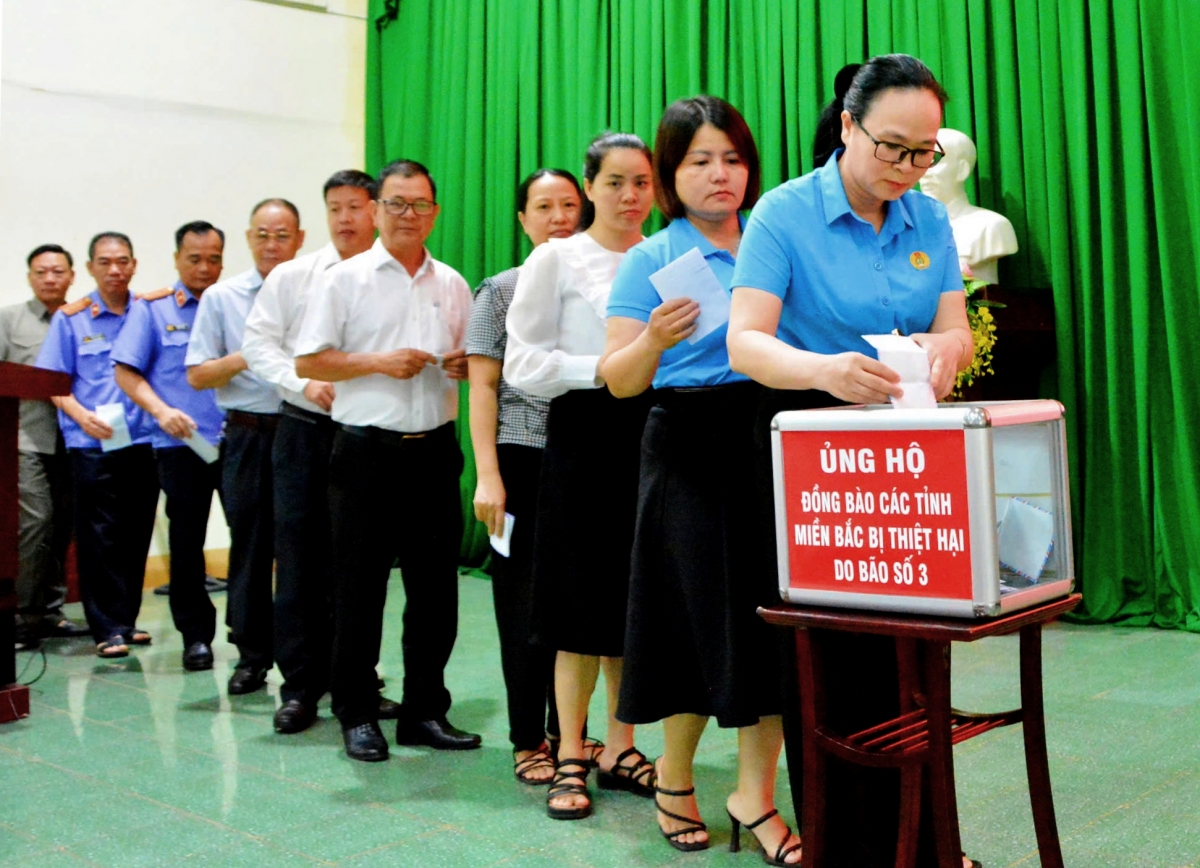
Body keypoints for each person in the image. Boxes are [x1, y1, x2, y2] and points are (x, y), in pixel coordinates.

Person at [725, 55, 977, 868]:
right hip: (814, 465)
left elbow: (957, 331)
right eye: (892, 148)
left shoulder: (928, 220)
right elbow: (746, 342)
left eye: (923, 152)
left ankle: (929, 846)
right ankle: (852, 849)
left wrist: (946, 350)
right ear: (846, 126)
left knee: (915, 664)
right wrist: (822, 372)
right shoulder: (782, 214)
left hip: (908, 460)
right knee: (831, 666)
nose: (908, 168)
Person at [599, 96, 802, 864]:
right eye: (699, 161)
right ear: (670, 175)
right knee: (688, 622)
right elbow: (617, 381)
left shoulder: (774, 240)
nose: (721, 175)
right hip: (685, 439)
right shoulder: (653, 259)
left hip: (768, 436)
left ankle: (754, 797)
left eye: (733, 158)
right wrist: (652, 338)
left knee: (771, 622)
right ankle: (674, 778)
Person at [294, 159, 480, 762]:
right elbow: (309, 362)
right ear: (375, 210)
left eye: (420, 205)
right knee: (359, 589)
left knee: (435, 591)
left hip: (433, 454)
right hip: (364, 454)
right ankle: (356, 711)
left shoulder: (451, 282)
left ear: (435, 213)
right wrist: (377, 362)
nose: (408, 216)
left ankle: (425, 709)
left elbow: (467, 360)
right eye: (396, 204)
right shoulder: (343, 280)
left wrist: (459, 365)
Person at [503, 132, 658, 820]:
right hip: (582, 437)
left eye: (643, 183)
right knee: (575, 613)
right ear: (589, 188)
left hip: (654, 439)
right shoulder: (556, 258)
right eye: (616, 182)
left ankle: (622, 749)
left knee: (632, 605)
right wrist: (594, 369)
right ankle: (572, 750)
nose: (630, 197)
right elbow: (520, 364)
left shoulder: (669, 256)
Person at [242, 169, 400, 734]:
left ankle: (357, 682)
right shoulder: (294, 276)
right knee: (303, 562)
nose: (345, 219)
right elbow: (257, 344)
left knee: (361, 567)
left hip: (369, 438)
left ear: (377, 211)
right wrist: (301, 382)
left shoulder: (392, 275)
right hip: (308, 430)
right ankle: (301, 687)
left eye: (355, 207)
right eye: (334, 208)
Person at [466, 167, 583, 784]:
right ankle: (525, 736)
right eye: (544, 206)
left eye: (569, 204)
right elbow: (482, 388)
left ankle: (575, 736)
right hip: (521, 459)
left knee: (578, 608)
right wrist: (489, 476)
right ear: (522, 218)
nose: (559, 216)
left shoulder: (599, 282)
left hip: (584, 462)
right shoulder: (500, 290)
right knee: (522, 606)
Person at [186, 200, 302, 695]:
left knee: (303, 549)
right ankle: (251, 656)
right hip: (248, 434)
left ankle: (306, 660)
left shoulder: (317, 290)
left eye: (282, 235)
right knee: (251, 547)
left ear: (299, 239)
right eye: (262, 235)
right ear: (249, 239)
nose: (272, 245)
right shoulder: (222, 297)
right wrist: (247, 355)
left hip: (304, 431)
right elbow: (197, 374)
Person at [35, 233, 159, 658]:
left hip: (142, 438)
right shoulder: (72, 319)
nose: (115, 270)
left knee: (135, 531)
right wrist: (80, 415)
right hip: (91, 441)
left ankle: (127, 620)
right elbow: (53, 383)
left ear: (134, 264)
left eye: (123, 261)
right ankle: (106, 628)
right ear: (90, 268)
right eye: (105, 262)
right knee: (99, 536)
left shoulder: (146, 313)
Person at [112, 221, 227, 673]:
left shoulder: (232, 303)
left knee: (254, 539)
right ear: (178, 258)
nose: (204, 267)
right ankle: (196, 637)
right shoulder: (153, 309)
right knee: (187, 542)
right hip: (182, 445)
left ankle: (250, 635)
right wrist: (161, 411)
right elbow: (126, 372)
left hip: (237, 439)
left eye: (213, 258)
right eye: (194, 258)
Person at [0, 245, 86, 648]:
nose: (50, 279)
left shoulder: (81, 318)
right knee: (36, 522)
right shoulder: (9, 320)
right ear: (30, 277)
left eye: (58, 272)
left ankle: (51, 611)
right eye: (41, 272)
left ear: (72, 276)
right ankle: (20, 614)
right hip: (25, 438)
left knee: (62, 525)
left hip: (75, 439)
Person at [918, 128, 1019, 284]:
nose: (924, 173)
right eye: (920, 161)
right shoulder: (910, 227)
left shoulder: (991, 226)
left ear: (962, 169)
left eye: (934, 161)